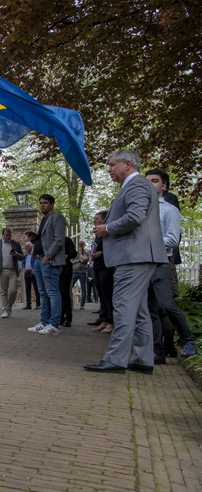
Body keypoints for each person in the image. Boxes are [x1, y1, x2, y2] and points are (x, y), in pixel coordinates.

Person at [84, 150, 165, 374]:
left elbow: (135, 216)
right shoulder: (134, 186)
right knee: (138, 310)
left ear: (127, 164)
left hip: (134, 255)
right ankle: (142, 358)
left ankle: (116, 359)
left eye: (111, 165)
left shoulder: (136, 185)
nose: (108, 169)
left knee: (122, 306)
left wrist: (107, 227)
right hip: (138, 255)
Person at [144, 169, 198, 360]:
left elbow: (172, 240)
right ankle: (157, 351)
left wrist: (147, 242)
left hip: (161, 261)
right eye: (147, 181)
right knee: (150, 308)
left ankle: (188, 340)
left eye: (155, 181)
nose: (150, 184)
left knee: (166, 304)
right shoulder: (141, 210)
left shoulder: (169, 210)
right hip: (143, 264)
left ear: (164, 185)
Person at [28, 194, 66, 335]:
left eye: (45, 203)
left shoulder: (57, 218)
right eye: (40, 203)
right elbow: (44, 239)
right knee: (43, 293)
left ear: (52, 204)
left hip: (48, 260)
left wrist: (48, 256)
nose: (42, 205)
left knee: (52, 292)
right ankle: (44, 321)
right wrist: (34, 239)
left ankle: (54, 324)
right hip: (38, 259)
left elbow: (59, 240)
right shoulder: (44, 219)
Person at [0, 227, 24, 318]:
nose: (8, 237)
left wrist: (17, 255)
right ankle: (4, 310)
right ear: (2, 234)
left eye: (9, 236)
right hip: (1, 270)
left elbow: (22, 257)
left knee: (13, 290)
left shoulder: (16, 244)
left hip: (13, 270)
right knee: (3, 292)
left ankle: (8, 306)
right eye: (6, 235)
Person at [89, 211, 115, 335]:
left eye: (97, 219)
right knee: (102, 296)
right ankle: (104, 320)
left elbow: (112, 248)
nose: (95, 221)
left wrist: (101, 253)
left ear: (105, 220)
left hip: (106, 267)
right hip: (97, 267)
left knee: (108, 295)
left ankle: (111, 322)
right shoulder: (98, 235)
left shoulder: (108, 233)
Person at [59, 236, 78, 327]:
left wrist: (65, 256)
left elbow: (73, 253)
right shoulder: (51, 241)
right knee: (57, 293)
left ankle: (68, 316)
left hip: (65, 268)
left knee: (64, 291)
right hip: (55, 268)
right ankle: (60, 317)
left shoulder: (66, 240)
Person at [71, 241, 90, 310]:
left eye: (81, 244)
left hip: (83, 272)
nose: (80, 245)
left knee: (83, 289)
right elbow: (72, 262)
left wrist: (80, 253)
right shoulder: (74, 253)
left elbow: (83, 260)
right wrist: (79, 260)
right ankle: (70, 303)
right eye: (79, 244)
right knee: (70, 287)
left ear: (84, 245)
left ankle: (82, 304)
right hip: (74, 272)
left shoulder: (86, 253)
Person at [21, 241, 40, 310]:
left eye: (27, 246)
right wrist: (23, 268)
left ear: (31, 247)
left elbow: (35, 261)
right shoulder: (26, 255)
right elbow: (23, 262)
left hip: (32, 272)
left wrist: (34, 268)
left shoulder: (34, 254)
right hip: (27, 272)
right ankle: (28, 304)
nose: (26, 248)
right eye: (25, 246)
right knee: (27, 289)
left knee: (36, 288)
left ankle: (38, 303)